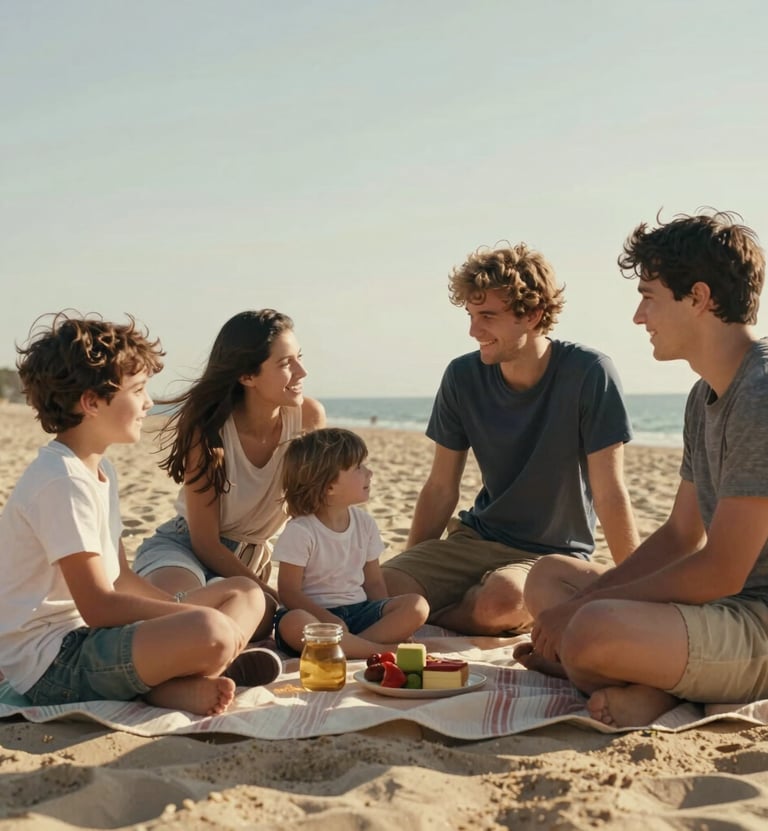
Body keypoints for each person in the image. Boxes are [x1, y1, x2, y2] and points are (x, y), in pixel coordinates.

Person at [515, 210, 768, 728]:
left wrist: (581, 614)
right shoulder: (705, 396)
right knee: (549, 579)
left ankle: (656, 690)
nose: (637, 316)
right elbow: (679, 534)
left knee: (590, 630)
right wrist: (579, 600)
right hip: (723, 608)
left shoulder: (760, 394)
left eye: (649, 296)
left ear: (698, 298)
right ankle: (656, 685)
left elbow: (722, 569)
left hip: (757, 622)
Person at [0, 313, 282, 717]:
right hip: (53, 662)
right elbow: (98, 605)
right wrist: (193, 617)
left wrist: (176, 610)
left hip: (93, 638)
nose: (149, 402)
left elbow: (122, 578)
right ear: (91, 402)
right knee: (213, 629)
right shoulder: (61, 480)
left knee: (244, 592)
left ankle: (181, 680)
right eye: (138, 389)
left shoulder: (99, 470)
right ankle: (177, 678)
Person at [382, 242, 639, 636]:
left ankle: (458, 612)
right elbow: (439, 487)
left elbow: (610, 493)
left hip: (552, 555)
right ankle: (455, 608)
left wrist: (638, 586)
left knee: (499, 603)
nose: (473, 330)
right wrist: (409, 571)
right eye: (470, 315)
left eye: (487, 315)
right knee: (381, 590)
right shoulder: (462, 376)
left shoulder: (589, 373)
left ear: (533, 314)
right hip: (476, 538)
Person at [133, 310, 325, 641]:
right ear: (247, 376)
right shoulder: (208, 430)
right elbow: (204, 542)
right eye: (285, 364)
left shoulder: (308, 417)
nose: (301, 372)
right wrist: (273, 593)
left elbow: (309, 513)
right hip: (185, 549)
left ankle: (207, 660)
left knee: (253, 618)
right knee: (182, 609)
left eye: (299, 358)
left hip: (249, 564)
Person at [272, 428, 429, 658]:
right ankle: (376, 650)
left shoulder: (364, 523)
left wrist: (386, 617)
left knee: (417, 606)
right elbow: (288, 591)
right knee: (291, 623)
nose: (370, 473)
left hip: (359, 615)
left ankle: (349, 648)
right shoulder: (301, 531)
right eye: (358, 468)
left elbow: (374, 583)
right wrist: (326, 618)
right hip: (315, 616)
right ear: (329, 487)